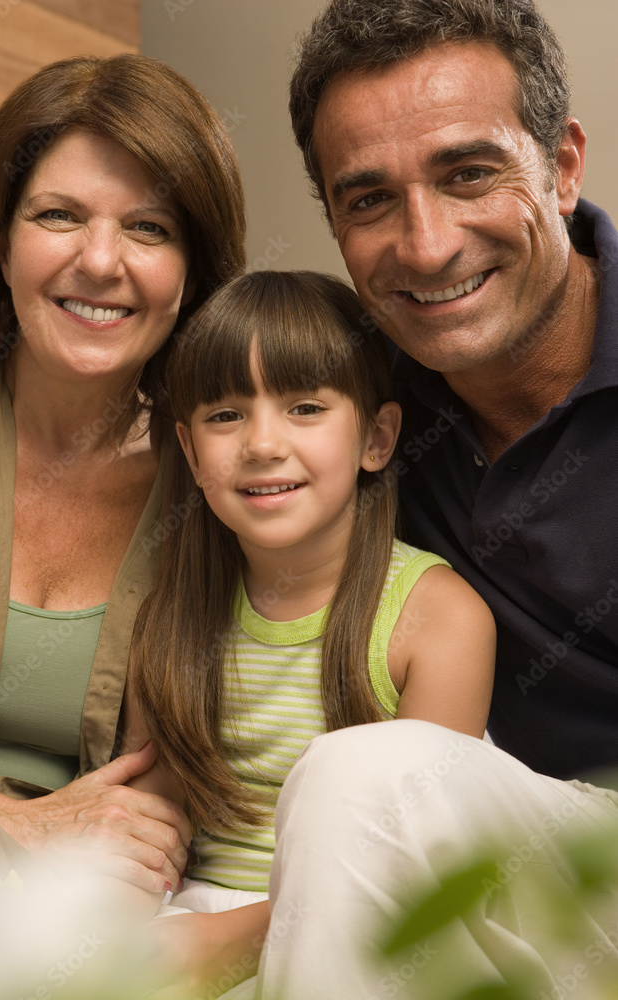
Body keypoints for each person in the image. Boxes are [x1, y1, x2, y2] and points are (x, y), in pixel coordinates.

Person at [242, 1, 618, 997]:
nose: (424, 243)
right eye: (368, 200)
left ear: (563, 164)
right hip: (519, 841)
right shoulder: (364, 412)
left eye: (467, 173)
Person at [126, 269, 496, 996]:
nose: (262, 444)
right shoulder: (169, 615)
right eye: (226, 416)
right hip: (192, 918)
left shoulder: (437, 618)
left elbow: (415, 861)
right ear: (191, 450)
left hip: (373, 926)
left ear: (377, 437)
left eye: (303, 407)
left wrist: (226, 944)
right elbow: (150, 826)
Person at [0, 52, 244, 939]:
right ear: (1, 241)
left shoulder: (229, 474)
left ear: (193, 268)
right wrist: (15, 823)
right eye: (58, 215)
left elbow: (148, 831)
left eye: (150, 228)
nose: (102, 261)